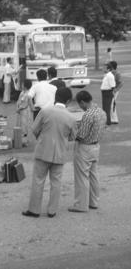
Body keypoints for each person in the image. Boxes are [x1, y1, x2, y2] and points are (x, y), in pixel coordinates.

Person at [22, 87, 77, 218]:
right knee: (56, 182)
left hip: (43, 151)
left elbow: (34, 129)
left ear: (55, 96)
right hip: (60, 153)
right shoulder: (71, 117)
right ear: (68, 101)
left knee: (38, 180)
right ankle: (52, 211)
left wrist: (41, 137)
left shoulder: (45, 111)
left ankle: (34, 210)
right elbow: (73, 136)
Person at [68, 91, 106, 213]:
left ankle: (80, 205)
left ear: (83, 102)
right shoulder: (101, 112)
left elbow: (81, 135)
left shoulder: (88, 115)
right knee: (94, 175)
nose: (81, 107)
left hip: (84, 147)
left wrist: (74, 131)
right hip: (96, 145)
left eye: (80, 105)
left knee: (82, 177)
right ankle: (94, 202)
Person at [16, 79, 34, 143]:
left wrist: (18, 108)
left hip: (25, 111)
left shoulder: (28, 94)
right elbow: (18, 101)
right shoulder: (22, 93)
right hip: (21, 111)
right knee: (20, 124)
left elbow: (25, 104)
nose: (21, 85)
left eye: (22, 84)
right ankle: (20, 138)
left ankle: (24, 140)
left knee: (24, 125)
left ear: (25, 86)